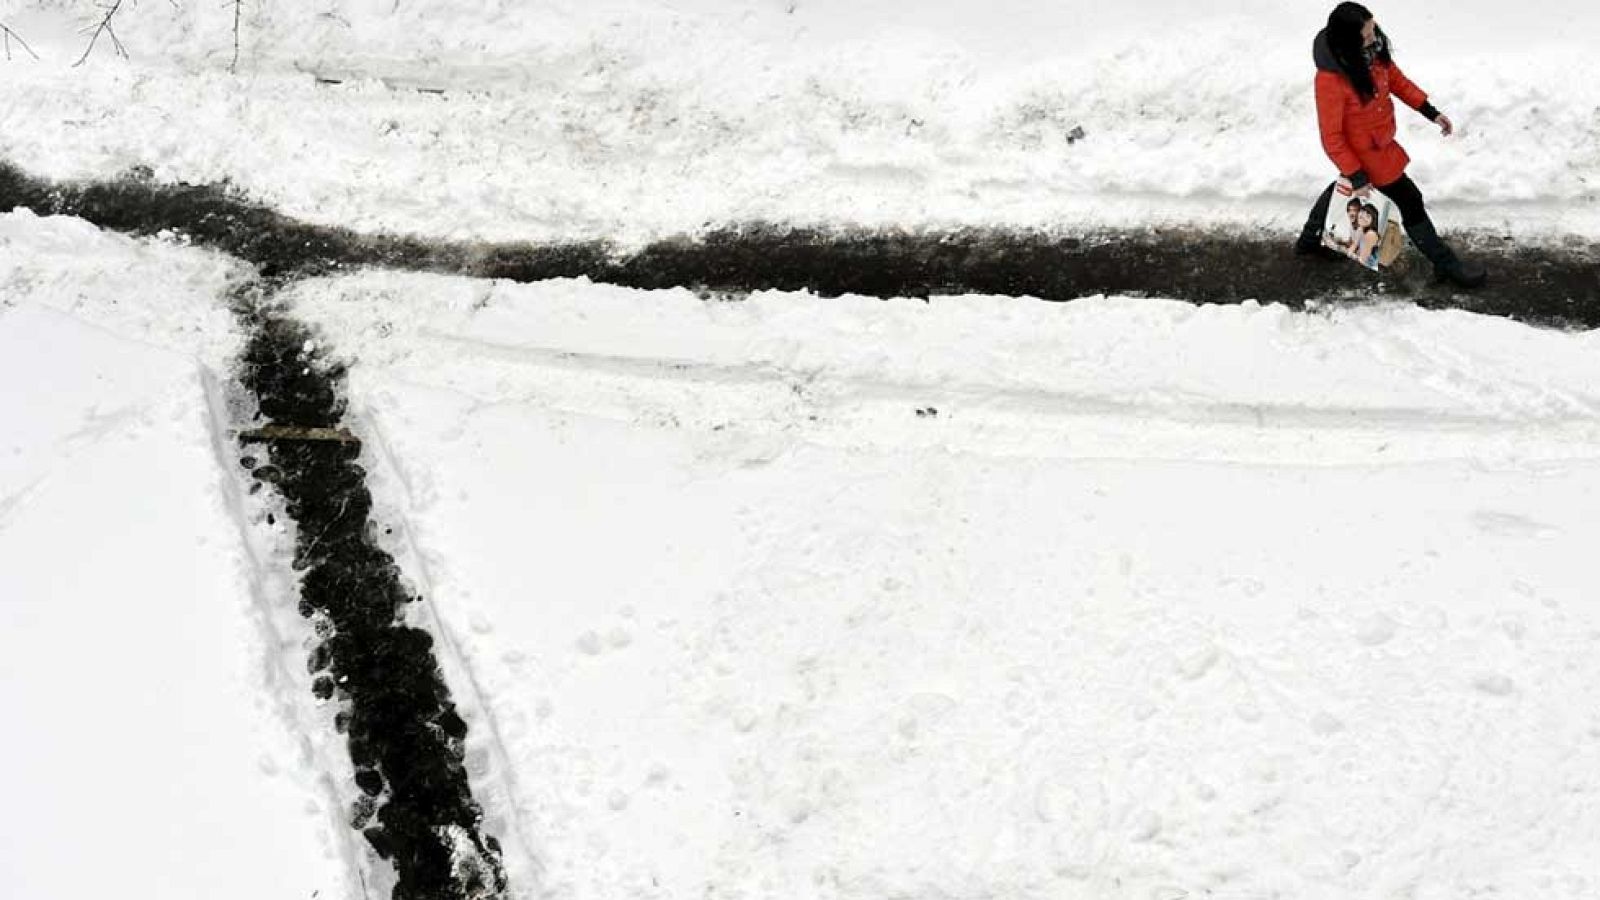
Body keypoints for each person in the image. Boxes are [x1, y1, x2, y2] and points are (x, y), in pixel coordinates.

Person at [1293, 3, 1487, 287]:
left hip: (1380, 144)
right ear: (1348, 39)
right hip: (1365, 155)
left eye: (1373, 29)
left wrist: (1430, 112)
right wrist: (1358, 174)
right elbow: (1331, 137)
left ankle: (1309, 241)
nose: (1375, 38)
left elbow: (1398, 82)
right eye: (1367, 34)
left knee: (1342, 190)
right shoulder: (1331, 79)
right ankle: (1446, 265)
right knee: (1411, 201)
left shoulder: (1373, 54)